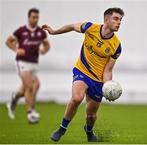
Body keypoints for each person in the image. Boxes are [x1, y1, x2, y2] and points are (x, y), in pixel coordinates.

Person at [42, 7, 124, 142]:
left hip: (98, 80)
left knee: (91, 115)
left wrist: (107, 87)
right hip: (82, 71)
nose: (119, 22)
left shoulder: (116, 46)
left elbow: (108, 70)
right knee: (76, 98)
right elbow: (72, 26)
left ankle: (89, 131)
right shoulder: (90, 27)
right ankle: (62, 128)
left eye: (120, 20)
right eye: (116, 19)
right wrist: (53, 32)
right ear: (106, 19)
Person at [6, 8, 50, 123]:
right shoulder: (21, 31)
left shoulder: (41, 32)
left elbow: (46, 45)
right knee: (30, 86)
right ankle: (30, 113)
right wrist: (16, 49)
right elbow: (8, 41)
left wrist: (44, 50)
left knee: (33, 86)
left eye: (37, 17)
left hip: (34, 63)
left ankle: (14, 98)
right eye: (33, 17)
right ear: (29, 17)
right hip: (22, 62)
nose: (35, 19)